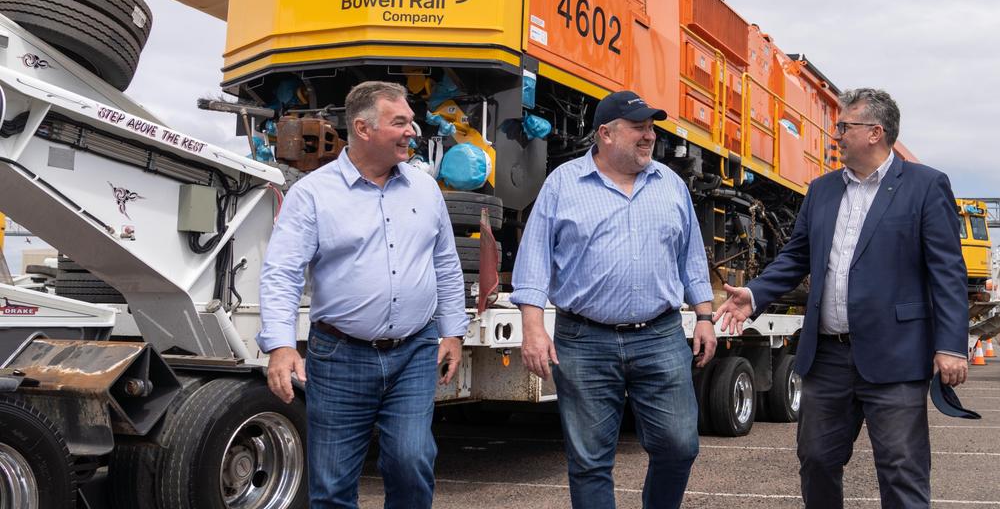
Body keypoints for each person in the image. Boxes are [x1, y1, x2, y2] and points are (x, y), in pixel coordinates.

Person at [713, 87, 969, 509]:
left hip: (896, 356)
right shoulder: (823, 190)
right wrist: (754, 294)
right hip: (828, 358)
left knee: (901, 470)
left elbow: (947, 272)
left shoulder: (925, 186)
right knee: (815, 460)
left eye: (844, 126)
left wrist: (949, 345)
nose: (835, 135)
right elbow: (796, 257)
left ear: (875, 132)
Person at [256, 81, 467, 509]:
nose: (413, 132)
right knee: (333, 484)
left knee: (411, 461)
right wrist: (279, 345)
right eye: (400, 123)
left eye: (411, 122)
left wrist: (454, 332)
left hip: (414, 351)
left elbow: (445, 262)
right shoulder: (313, 194)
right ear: (363, 129)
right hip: (340, 355)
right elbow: (282, 271)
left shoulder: (426, 190)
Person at [512, 90, 717, 509]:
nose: (649, 136)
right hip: (584, 340)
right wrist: (532, 329)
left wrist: (705, 316)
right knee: (589, 460)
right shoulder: (563, 184)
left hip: (659, 335)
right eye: (638, 127)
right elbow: (533, 260)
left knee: (680, 446)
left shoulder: (671, 185)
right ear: (605, 133)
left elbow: (692, 257)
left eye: (651, 127)